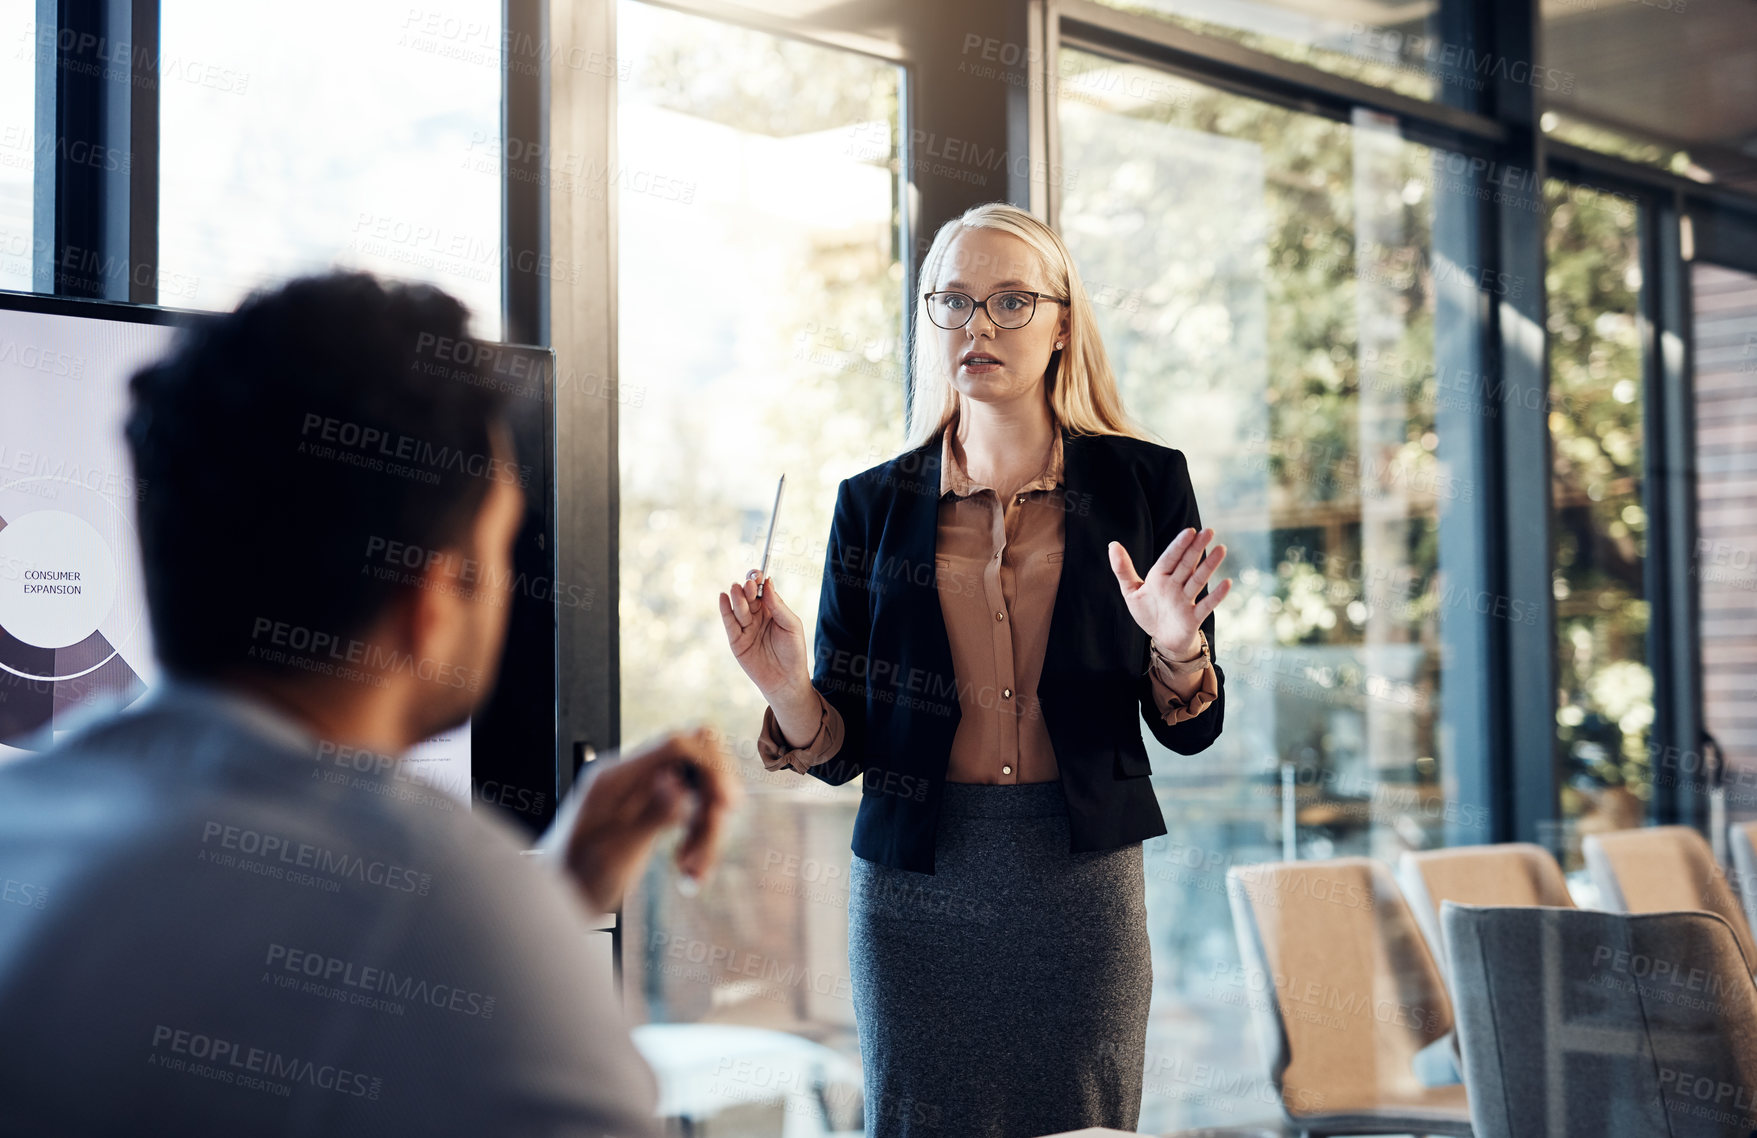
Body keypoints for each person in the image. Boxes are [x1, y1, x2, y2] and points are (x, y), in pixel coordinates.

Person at [0, 272, 739, 1136]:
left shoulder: (28, 824)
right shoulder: (453, 914)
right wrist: (511, 924)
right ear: (431, 604)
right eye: (498, 550)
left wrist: (552, 891)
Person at [720, 202, 1231, 1138]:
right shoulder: (871, 504)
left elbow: (1188, 726)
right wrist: (785, 688)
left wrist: (1174, 645)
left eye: (1007, 302)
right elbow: (841, 754)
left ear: (1062, 322)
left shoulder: (1141, 483)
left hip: (1078, 881)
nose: (976, 328)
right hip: (917, 892)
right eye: (951, 303)